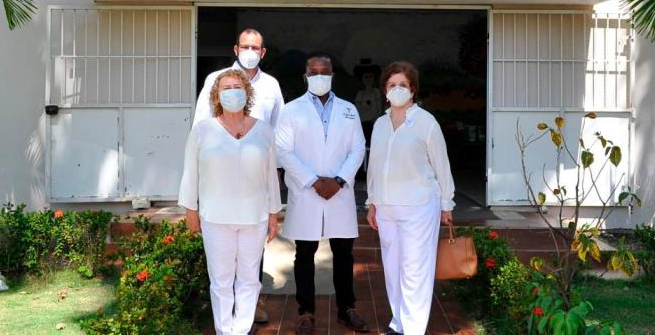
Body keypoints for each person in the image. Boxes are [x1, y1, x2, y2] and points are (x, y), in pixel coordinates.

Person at [179, 69, 282, 335]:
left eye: (238, 86)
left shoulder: (264, 130)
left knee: (249, 280)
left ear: (247, 93)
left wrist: (274, 214)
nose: (232, 91)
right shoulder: (203, 130)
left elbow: (271, 175)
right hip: (215, 217)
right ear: (217, 95)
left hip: (255, 217)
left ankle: (241, 329)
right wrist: (191, 209)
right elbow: (190, 173)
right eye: (226, 88)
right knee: (221, 282)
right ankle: (225, 330)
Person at [275, 54, 370, 334]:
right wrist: (314, 182)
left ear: (332, 75)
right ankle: (306, 313)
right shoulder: (291, 110)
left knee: (344, 253)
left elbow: (358, 148)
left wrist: (338, 180)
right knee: (304, 254)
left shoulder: (348, 110)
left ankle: (346, 308)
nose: (319, 76)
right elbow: (284, 151)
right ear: (305, 76)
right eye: (313, 72)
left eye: (324, 71)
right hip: (307, 193)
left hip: (339, 192)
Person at [366, 61, 456, 335]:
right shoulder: (381, 123)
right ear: (384, 90)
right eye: (392, 85)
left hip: (419, 206)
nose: (397, 89)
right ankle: (399, 324)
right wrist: (371, 202)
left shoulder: (426, 122)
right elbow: (374, 165)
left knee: (415, 270)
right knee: (392, 269)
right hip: (386, 207)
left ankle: (414, 329)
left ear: (413, 90)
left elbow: (441, 164)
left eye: (402, 85)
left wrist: (447, 203)